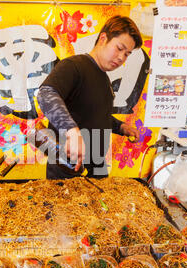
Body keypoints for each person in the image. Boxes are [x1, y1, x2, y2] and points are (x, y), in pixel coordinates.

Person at [37, 15, 142, 179]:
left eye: (127, 54)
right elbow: (46, 94)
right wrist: (72, 132)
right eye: (119, 48)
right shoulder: (74, 66)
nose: (122, 57)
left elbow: (96, 114)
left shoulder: (104, 77)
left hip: (96, 167)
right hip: (67, 170)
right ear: (103, 38)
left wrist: (121, 127)